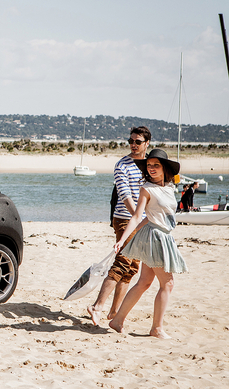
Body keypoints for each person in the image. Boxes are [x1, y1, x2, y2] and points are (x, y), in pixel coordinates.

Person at [109, 149, 188, 339]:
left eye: (156, 165)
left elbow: (152, 216)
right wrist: (122, 240)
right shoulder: (147, 188)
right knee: (167, 283)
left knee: (144, 282)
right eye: (149, 165)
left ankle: (117, 321)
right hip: (155, 238)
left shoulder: (169, 188)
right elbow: (137, 216)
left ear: (164, 169)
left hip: (163, 236)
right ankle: (157, 329)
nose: (151, 168)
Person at [87, 126, 150, 326]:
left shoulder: (151, 164)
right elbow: (125, 195)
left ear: (147, 143)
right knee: (123, 261)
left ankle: (115, 310)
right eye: (131, 141)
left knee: (132, 268)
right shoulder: (122, 165)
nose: (133, 145)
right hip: (125, 219)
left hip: (144, 221)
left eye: (138, 141)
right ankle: (97, 307)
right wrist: (136, 217)